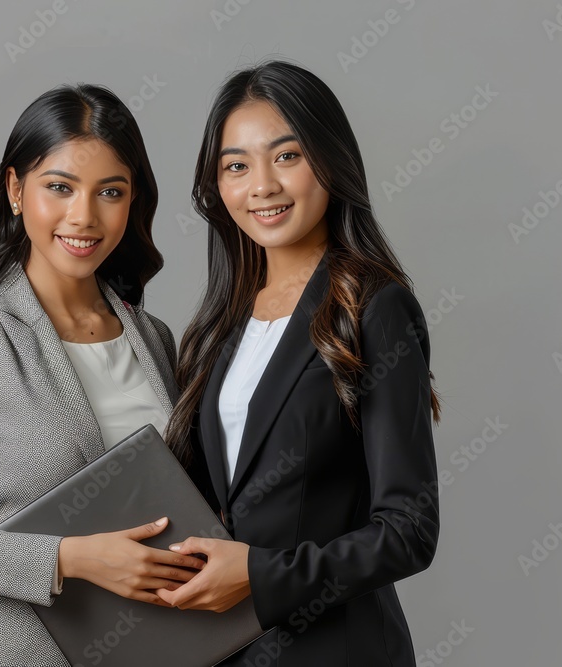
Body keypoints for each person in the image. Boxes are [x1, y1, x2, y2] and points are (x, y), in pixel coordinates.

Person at [0, 83, 205, 667]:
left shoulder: (152, 336)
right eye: (59, 187)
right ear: (14, 189)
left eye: (111, 191)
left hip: (158, 647)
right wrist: (69, 558)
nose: (84, 216)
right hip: (22, 651)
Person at [160, 60, 443, 666]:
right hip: (228, 650)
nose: (261, 185)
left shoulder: (374, 308)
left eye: (287, 156)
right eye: (236, 166)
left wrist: (262, 575)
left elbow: (408, 531)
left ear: (331, 160)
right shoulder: (219, 325)